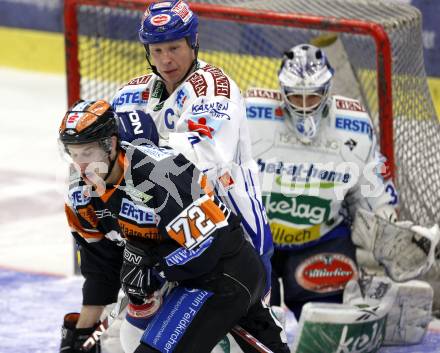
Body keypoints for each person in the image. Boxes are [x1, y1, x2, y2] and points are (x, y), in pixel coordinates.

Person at [58, 100, 289, 353]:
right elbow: (101, 270)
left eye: (88, 153)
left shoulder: (161, 171)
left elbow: (208, 245)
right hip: (181, 281)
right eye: (74, 153)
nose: (80, 166)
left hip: (225, 274)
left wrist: (151, 265)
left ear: (111, 144)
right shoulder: (80, 192)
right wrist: (82, 331)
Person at [111, 0, 273, 297]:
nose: (165, 60)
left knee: (245, 332)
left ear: (193, 42)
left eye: (174, 48)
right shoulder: (130, 94)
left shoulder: (215, 87)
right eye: (157, 51)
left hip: (231, 224)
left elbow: (204, 156)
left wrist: (142, 148)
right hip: (162, 229)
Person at [243, 44, 399, 319]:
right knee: (251, 321)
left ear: (327, 90)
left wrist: (387, 219)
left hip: (323, 242)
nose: (304, 107)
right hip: (257, 240)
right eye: (296, 96)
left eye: (312, 96)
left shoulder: (355, 126)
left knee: (328, 323)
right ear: (282, 91)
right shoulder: (250, 115)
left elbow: (371, 187)